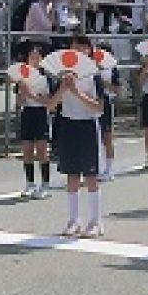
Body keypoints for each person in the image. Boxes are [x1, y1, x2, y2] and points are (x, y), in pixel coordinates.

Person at [46, 35, 105, 237]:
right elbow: (50, 106)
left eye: (83, 48)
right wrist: (63, 88)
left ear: (89, 51)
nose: (79, 51)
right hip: (68, 125)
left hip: (88, 125)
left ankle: (96, 222)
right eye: (75, 47)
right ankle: (73, 221)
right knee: (72, 176)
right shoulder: (62, 77)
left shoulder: (93, 75)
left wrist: (77, 92)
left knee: (90, 176)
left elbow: (99, 107)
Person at [16, 44, 52, 199]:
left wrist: (32, 96)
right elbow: (19, 102)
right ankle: (30, 183)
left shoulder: (46, 78)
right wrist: (23, 94)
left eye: (37, 58)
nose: (35, 60)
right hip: (27, 114)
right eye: (32, 58)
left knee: (42, 151)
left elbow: (49, 101)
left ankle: (45, 184)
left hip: (41, 114)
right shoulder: (22, 78)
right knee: (27, 150)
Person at [97, 44, 121, 182]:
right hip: (92, 101)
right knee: (95, 137)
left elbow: (118, 89)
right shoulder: (89, 67)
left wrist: (104, 83)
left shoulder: (112, 69)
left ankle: (109, 169)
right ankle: (96, 168)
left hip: (106, 102)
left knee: (107, 137)